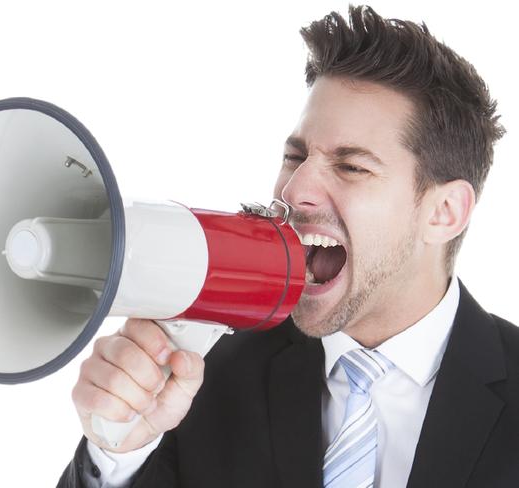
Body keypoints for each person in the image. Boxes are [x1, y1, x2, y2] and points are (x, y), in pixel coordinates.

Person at [58, 5, 519, 487]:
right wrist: (117, 456)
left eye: (352, 166)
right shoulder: (201, 373)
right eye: (295, 156)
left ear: (445, 212)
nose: (294, 190)